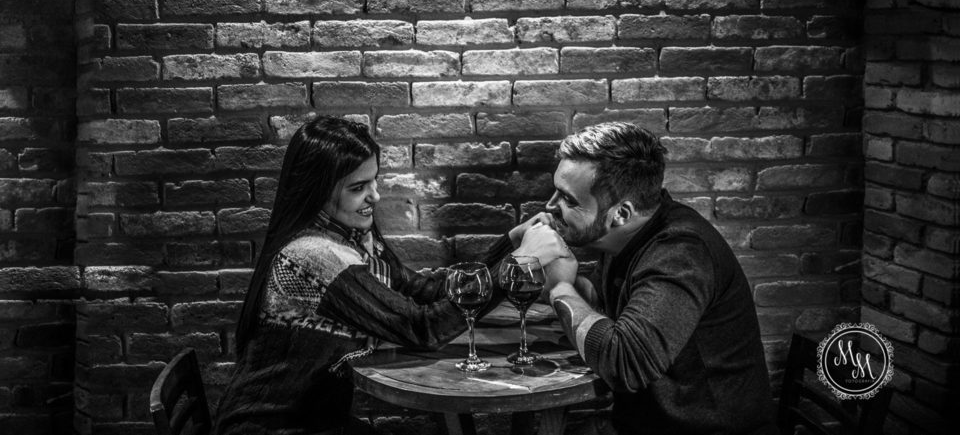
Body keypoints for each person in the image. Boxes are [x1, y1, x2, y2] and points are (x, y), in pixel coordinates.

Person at [214, 115, 524, 435]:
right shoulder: (314, 256)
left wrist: (509, 245)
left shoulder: (354, 241)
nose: (375, 196)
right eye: (358, 188)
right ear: (317, 192)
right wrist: (513, 268)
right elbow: (423, 328)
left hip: (318, 424)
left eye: (374, 181)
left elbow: (427, 291)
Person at [513, 122, 777, 435]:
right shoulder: (624, 236)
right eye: (556, 190)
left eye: (569, 200)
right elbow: (603, 304)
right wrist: (551, 271)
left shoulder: (680, 252)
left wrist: (560, 288)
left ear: (621, 213)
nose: (550, 205)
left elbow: (624, 365)